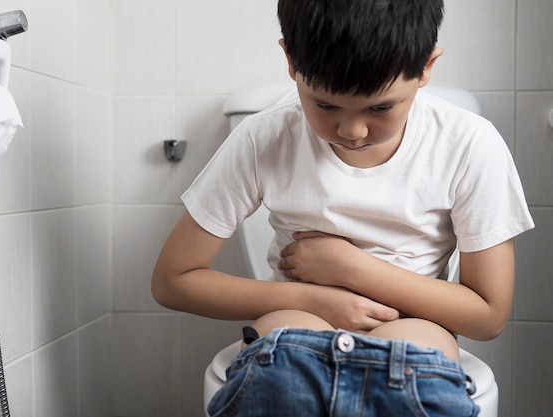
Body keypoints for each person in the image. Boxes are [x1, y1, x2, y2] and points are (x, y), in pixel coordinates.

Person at [152, 0, 534, 415]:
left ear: (426, 67)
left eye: (381, 107)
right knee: (285, 357)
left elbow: (488, 315)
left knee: (416, 359)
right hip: (297, 317)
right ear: (290, 61)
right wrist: (314, 300)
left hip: (414, 327)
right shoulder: (264, 137)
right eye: (325, 105)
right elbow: (174, 279)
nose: (352, 131)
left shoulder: (469, 143)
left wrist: (350, 268)